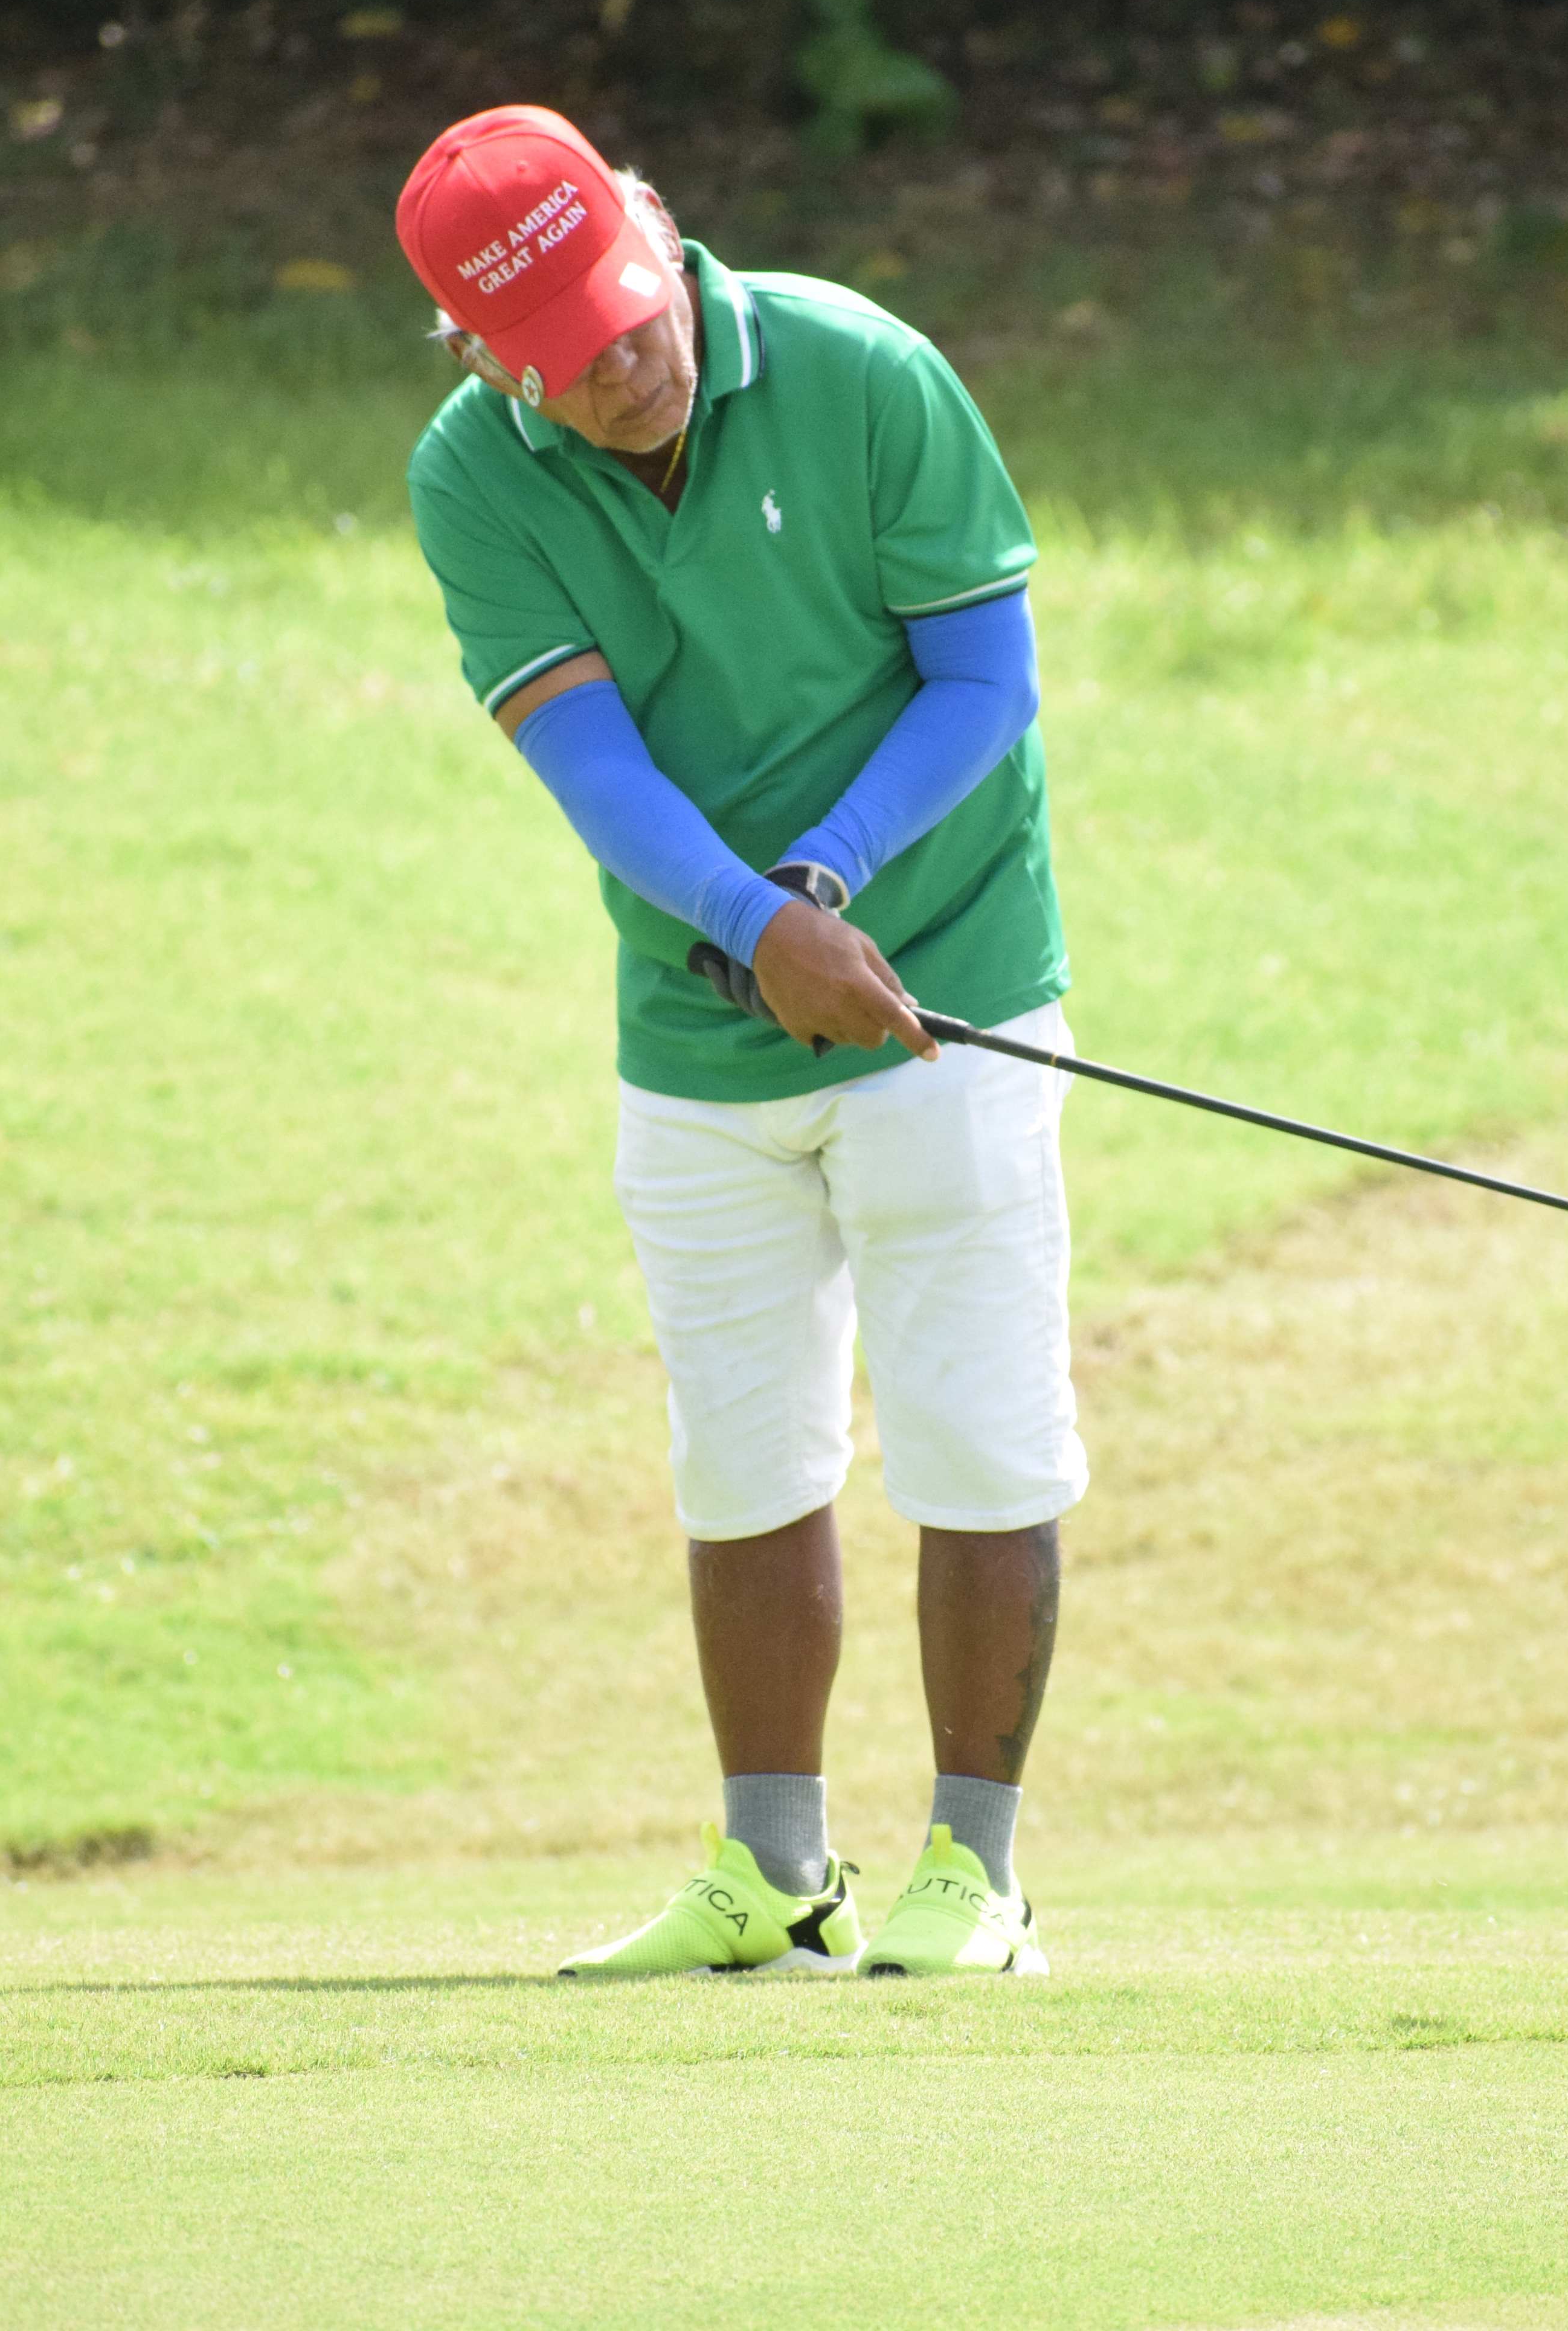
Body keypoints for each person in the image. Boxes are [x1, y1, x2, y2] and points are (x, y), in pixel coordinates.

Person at [396, 106, 1078, 1979]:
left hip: (949, 985)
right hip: (703, 1028)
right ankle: (775, 1875)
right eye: (564, 360)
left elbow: (986, 683)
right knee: (742, 1456)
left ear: (657, 226)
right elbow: (588, 760)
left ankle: (977, 1876)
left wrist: (822, 882)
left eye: (630, 314)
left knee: (975, 1431)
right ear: (480, 358)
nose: (626, 371)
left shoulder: (864, 371)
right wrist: (753, 928)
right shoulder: (474, 478)